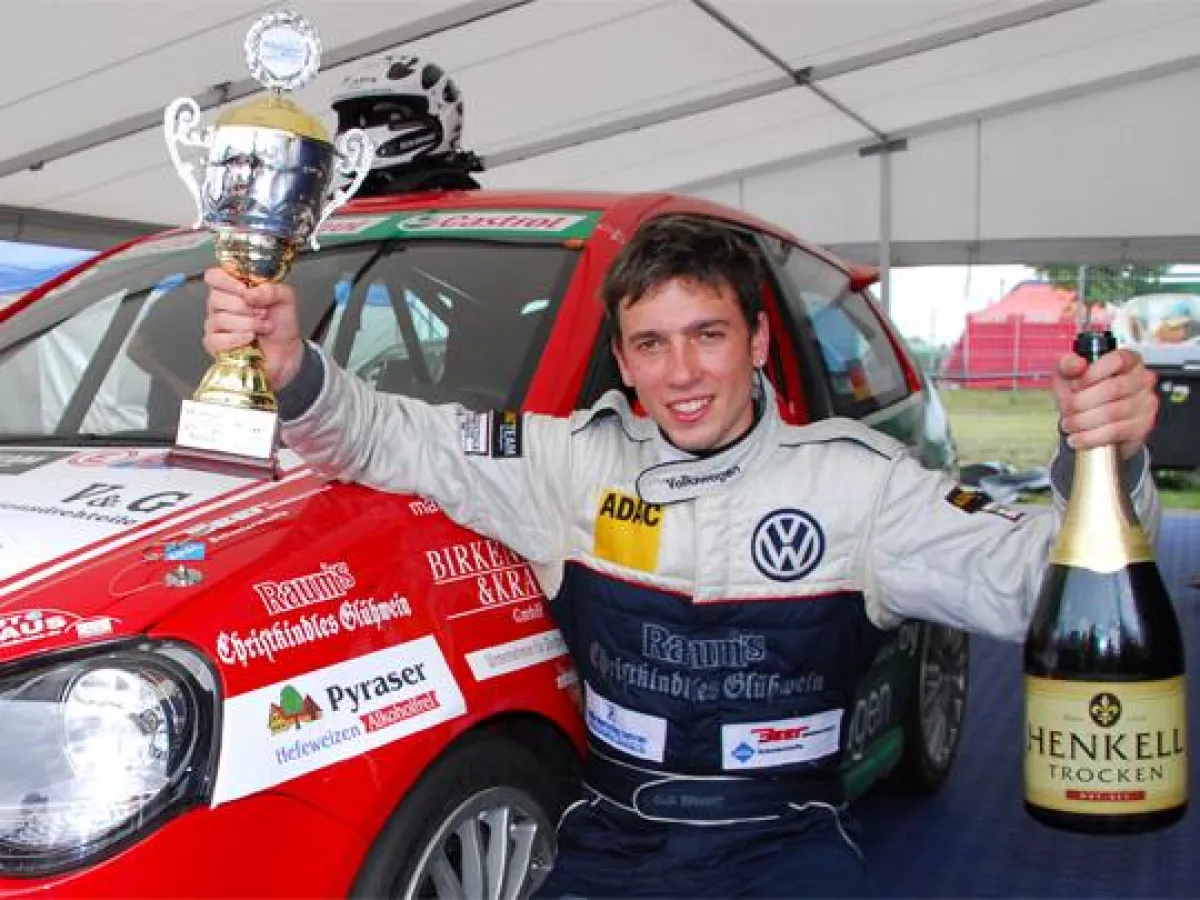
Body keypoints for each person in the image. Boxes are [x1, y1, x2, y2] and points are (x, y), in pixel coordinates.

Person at [202, 216, 1161, 898]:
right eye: (651, 344)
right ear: (623, 362)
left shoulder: (859, 486)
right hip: (614, 840)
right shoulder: (567, 463)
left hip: (785, 846)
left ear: (757, 341)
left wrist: (1102, 458)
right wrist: (292, 369)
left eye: (708, 335)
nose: (683, 373)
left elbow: (1041, 586)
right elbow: (385, 436)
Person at [330, 53, 484, 195]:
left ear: (440, 109)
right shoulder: (348, 198)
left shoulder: (441, 190)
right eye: (362, 118)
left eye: (388, 114)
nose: (364, 126)